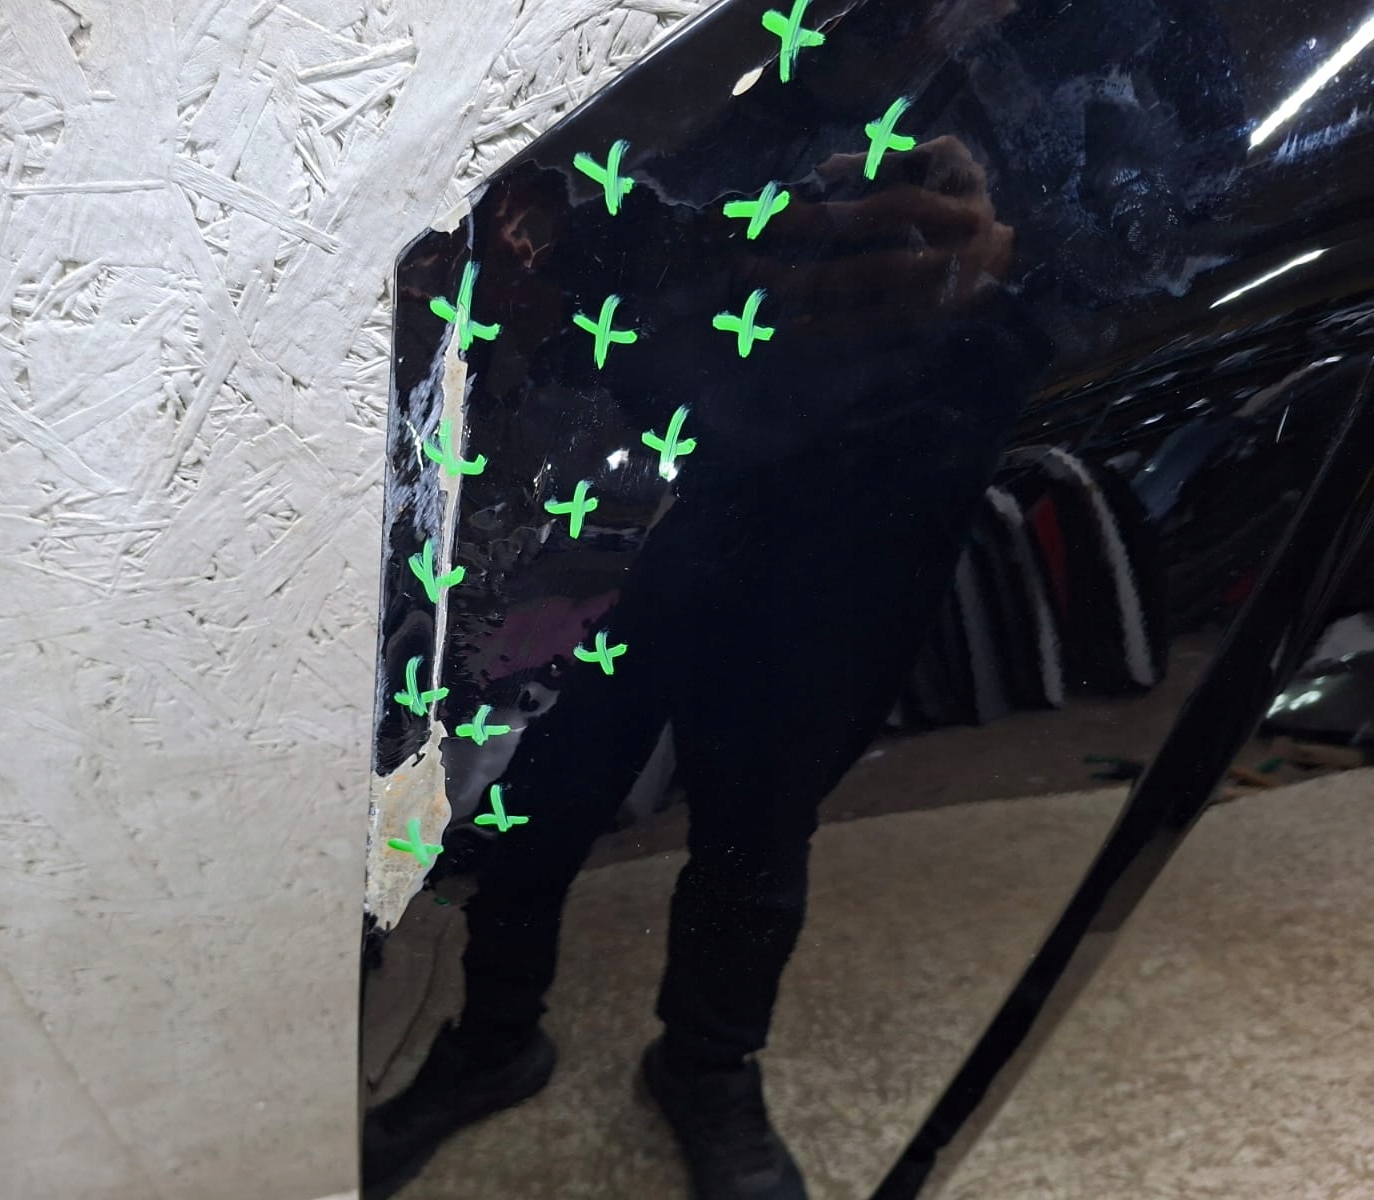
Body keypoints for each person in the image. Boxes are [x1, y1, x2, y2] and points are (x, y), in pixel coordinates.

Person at [364, 0, 1238, 1195]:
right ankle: (491, 1037)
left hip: (865, 518)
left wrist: (1000, 265)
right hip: (649, 505)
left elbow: (1145, 274)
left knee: (761, 823)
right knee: (542, 796)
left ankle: (708, 1065)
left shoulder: (1058, 97)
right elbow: (595, 298)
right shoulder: (707, 92)